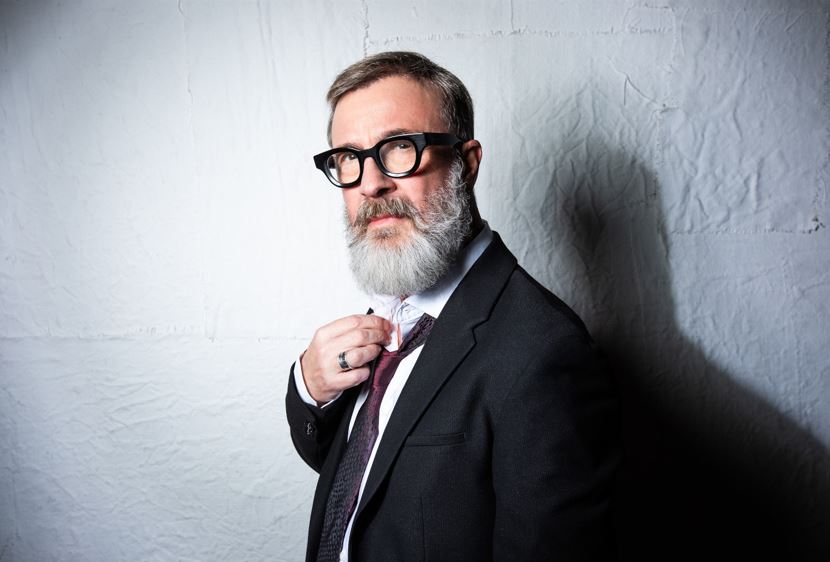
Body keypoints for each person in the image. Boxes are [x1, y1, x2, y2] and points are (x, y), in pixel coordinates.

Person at [286, 51, 619, 561]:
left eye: (399, 147)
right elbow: (371, 481)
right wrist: (311, 389)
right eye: (349, 158)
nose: (371, 184)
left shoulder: (544, 356)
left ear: (467, 164)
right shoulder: (395, 307)